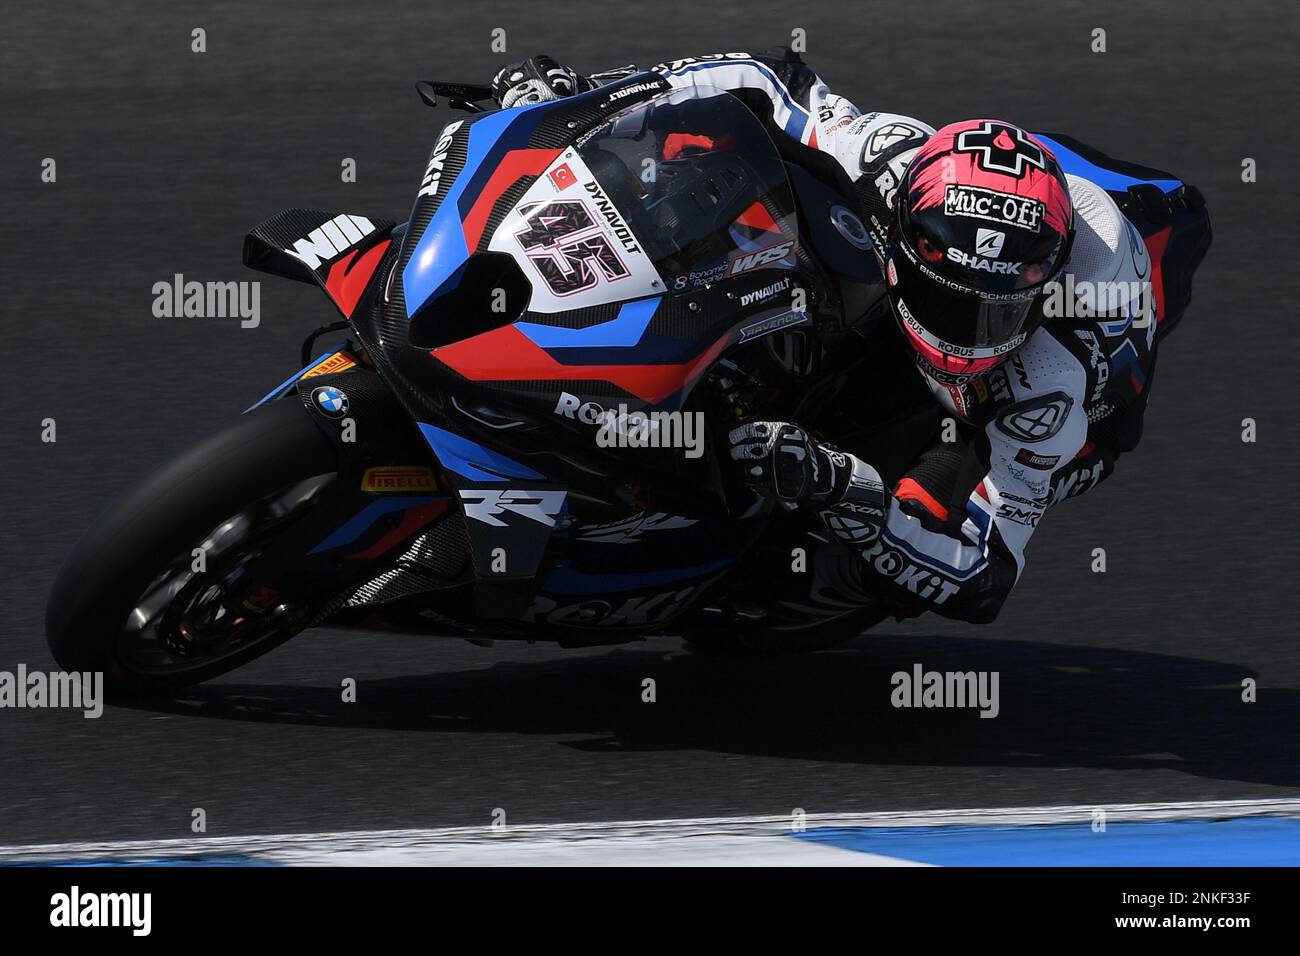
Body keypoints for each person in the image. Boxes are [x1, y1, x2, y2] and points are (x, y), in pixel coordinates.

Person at [490, 51, 1209, 626]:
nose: (963, 336)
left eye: (990, 315)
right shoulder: (886, 157)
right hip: (992, 201)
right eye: (946, 302)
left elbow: (985, 577)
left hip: (1080, 408)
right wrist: (586, 96)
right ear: (906, 232)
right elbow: (765, 81)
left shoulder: (1056, 376)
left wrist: (844, 487)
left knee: (917, 506)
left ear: (1037, 292)